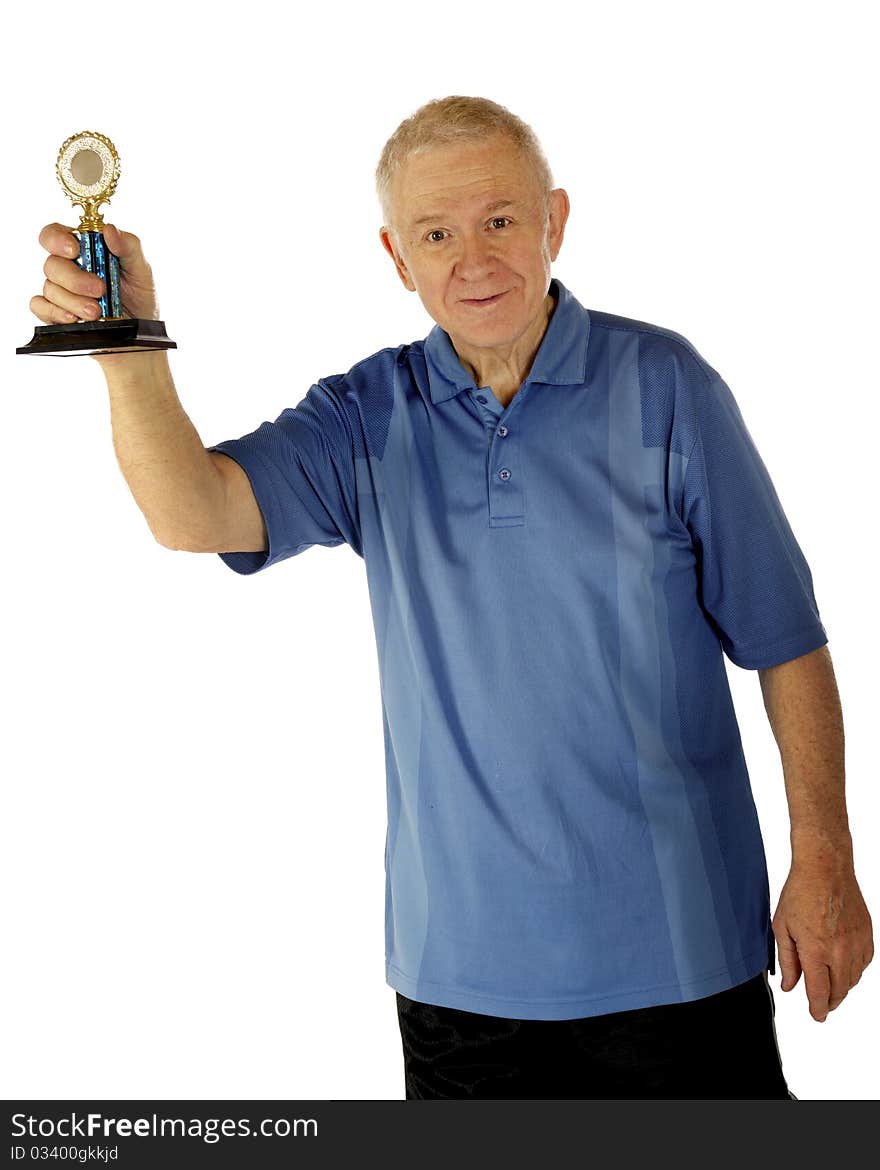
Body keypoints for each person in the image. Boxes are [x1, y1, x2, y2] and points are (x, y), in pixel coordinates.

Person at [30, 95, 872, 1100]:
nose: (473, 261)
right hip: (462, 993)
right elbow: (194, 511)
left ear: (555, 221)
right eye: (437, 234)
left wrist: (823, 856)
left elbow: (784, 640)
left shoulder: (667, 385)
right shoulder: (366, 412)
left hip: (682, 965)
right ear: (398, 257)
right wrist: (130, 350)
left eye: (500, 222)